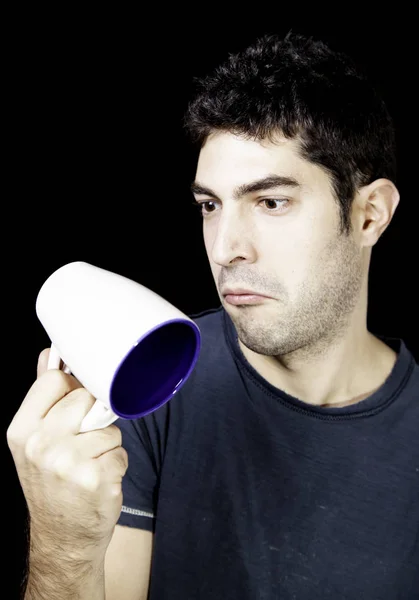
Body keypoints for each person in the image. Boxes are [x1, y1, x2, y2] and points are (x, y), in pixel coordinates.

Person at [7, 31, 418, 600]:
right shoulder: (146, 385)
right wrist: (64, 545)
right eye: (209, 206)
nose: (226, 248)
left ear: (370, 215)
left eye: (271, 202)